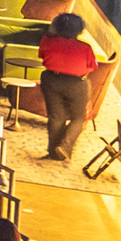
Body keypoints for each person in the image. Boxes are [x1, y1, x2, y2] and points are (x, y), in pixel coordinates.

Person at [33, 9, 101, 162]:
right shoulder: (85, 47)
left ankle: (53, 153)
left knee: (56, 117)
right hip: (77, 83)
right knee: (79, 118)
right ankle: (64, 147)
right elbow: (92, 67)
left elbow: (42, 55)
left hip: (51, 79)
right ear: (80, 30)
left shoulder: (47, 40)